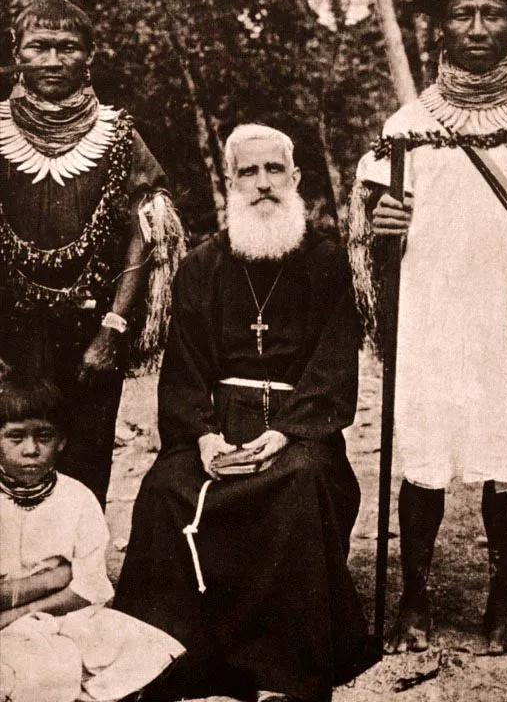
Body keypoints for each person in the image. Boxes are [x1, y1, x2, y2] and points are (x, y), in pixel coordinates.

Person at [348, 0, 507, 657]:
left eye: (493, 13)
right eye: (463, 14)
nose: (477, 27)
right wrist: (384, 232)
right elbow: (373, 235)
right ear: (439, 28)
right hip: (431, 313)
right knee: (426, 452)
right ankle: (412, 599)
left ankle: (501, 602)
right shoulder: (407, 129)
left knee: (506, 454)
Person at [114, 124, 368, 702]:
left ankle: (283, 668)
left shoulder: (327, 263)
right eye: (247, 173)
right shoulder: (202, 265)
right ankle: (173, 660)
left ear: (295, 178)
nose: (262, 184)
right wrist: (203, 440)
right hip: (220, 427)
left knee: (299, 484)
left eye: (273, 170)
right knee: (164, 488)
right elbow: (183, 369)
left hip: (301, 431)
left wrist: (286, 433)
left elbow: (332, 368)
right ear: (229, 184)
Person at [0, 0, 185, 507]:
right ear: (17, 52)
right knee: (11, 450)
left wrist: (113, 328)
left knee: (83, 461)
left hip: (92, 330)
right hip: (9, 330)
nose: (53, 60)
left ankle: (82, 576)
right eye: (38, 47)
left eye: (67, 47)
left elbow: (146, 232)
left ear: (90, 57)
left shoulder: (118, 134)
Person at [0, 373, 185, 702]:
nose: (31, 450)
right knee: (39, 664)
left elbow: (89, 588)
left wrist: (18, 611)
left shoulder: (78, 498)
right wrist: (55, 577)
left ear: (62, 441)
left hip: (59, 617)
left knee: (132, 642)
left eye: (44, 436)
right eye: (15, 438)